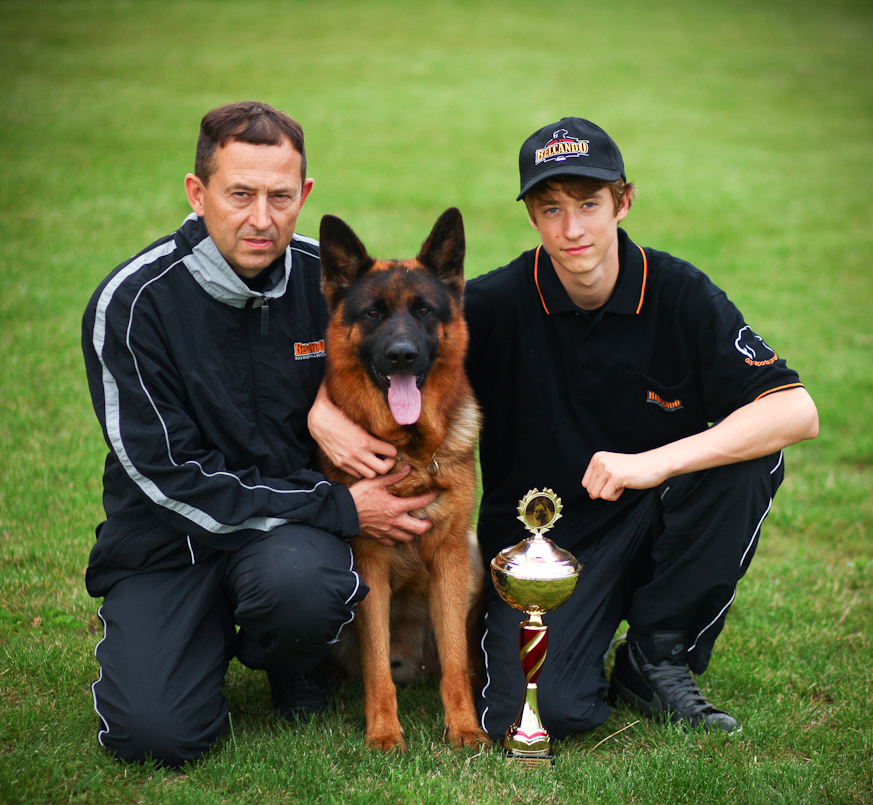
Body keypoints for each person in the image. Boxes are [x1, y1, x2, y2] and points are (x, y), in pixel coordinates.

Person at [309, 116, 819, 741]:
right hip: (537, 549)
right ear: (531, 216)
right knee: (551, 712)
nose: (572, 228)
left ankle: (657, 655)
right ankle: (582, 645)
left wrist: (652, 463)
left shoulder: (679, 293)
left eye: (589, 204)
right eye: (551, 208)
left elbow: (797, 411)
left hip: (645, 511)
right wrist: (319, 414)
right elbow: (381, 352)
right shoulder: (490, 307)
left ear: (623, 202)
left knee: (746, 458)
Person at [82, 102, 436, 767]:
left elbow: (402, 365)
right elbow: (168, 477)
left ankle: (295, 659)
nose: (261, 218)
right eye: (239, 194)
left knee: (302, 582)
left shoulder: (328, 284)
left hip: (287, 542)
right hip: (171, 541)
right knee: (155, 738)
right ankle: (183, 638)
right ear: (198, 193)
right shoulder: (134, 303)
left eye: (280, 196)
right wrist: (338, 506)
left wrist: (324, 409)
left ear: (303, 195)